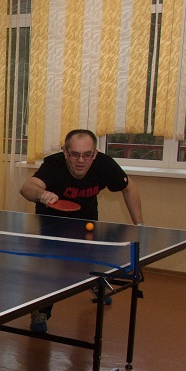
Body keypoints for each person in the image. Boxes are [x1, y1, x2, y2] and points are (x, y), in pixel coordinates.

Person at [19, 129, 143, 333]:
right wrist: (41, 194)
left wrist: (140, 227)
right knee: (48, 271)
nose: (81, 160)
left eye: (87, 155)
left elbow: (129, 188)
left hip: (86, 221)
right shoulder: (54, 165)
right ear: (65, 153)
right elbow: (27, 188)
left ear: (94, 154)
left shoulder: (104, 164)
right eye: (75, 154)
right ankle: (41, 310)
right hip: (52, 224)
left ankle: (93, 281)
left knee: (94, 254)